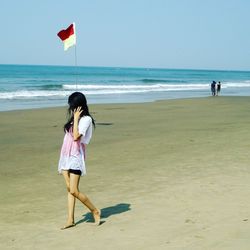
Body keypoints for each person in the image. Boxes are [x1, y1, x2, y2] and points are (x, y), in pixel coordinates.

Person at [58, 92, 101, 229]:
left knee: (74, 190)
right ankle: (70, 219)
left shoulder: (86, 119)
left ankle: (95, 210)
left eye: (72, 105)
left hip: (76, 156)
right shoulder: (74, 118)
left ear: (79, 105)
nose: (70, 107)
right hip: (65, 156)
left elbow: (76, 136)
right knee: (69, 189)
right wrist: (74, 118)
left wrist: (76, 119)